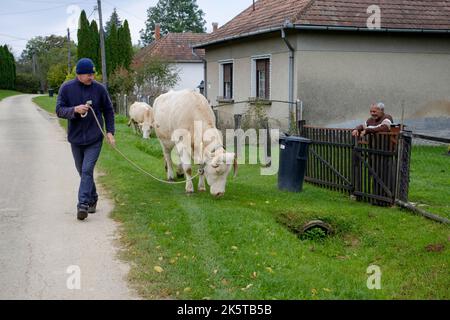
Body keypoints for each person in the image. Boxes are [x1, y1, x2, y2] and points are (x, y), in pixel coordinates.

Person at [56, 58, 115, 221]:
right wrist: (74, 110)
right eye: (88, 74)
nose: (92, 77)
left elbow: (109, 111)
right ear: (79, 74)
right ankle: (93, 197)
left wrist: (110, 132)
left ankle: (82, 205)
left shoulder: (100, 89)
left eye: (93, 74)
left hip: (94, 138)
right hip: (75, 139)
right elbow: (59, 110)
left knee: (87, 170)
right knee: (82, 172)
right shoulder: (66, 88)